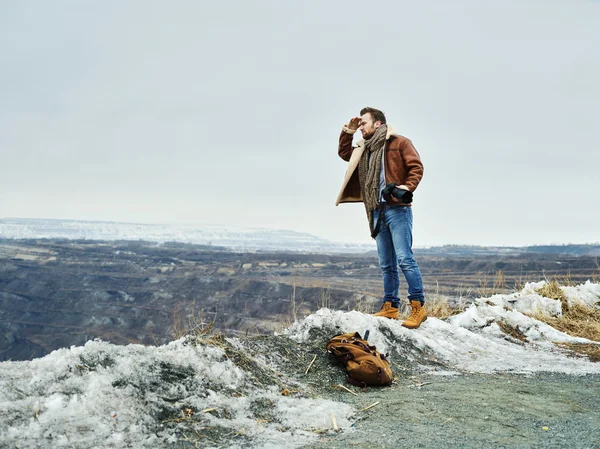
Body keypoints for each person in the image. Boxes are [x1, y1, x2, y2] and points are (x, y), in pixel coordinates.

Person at [336, 107, 427, 329]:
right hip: (376, 209)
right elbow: (344, 153)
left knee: (405, 258)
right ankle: (390, 307)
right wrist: (348, 131)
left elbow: (416, 167)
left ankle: (418, 307)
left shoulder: (399, 142)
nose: (361, 127)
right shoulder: (363, 148)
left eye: (364, 123)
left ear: (378, 124)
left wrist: (406, 186)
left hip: (398, 209)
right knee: (387, 263)